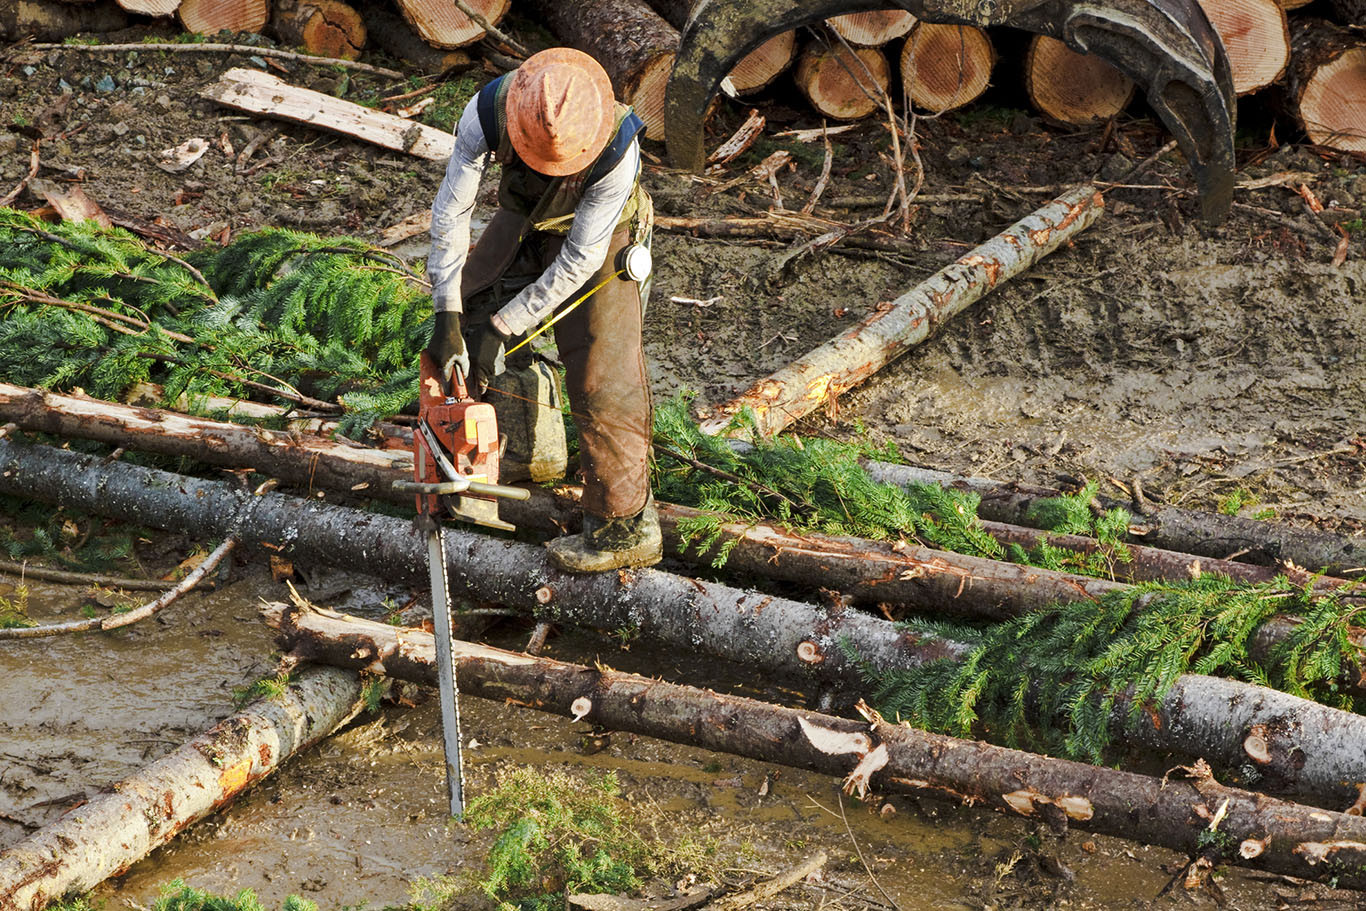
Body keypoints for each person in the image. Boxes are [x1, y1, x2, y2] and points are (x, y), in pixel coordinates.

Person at [424, 47, 660, 573]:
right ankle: (523, 450)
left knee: (602, 373)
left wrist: (505, 327)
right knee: (476, 299)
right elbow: (452, 210)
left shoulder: (617, 146)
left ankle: (624, 526)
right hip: (525, 213)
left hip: (600, 238)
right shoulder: (488, 110)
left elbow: (579, 259)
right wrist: (448, 313)